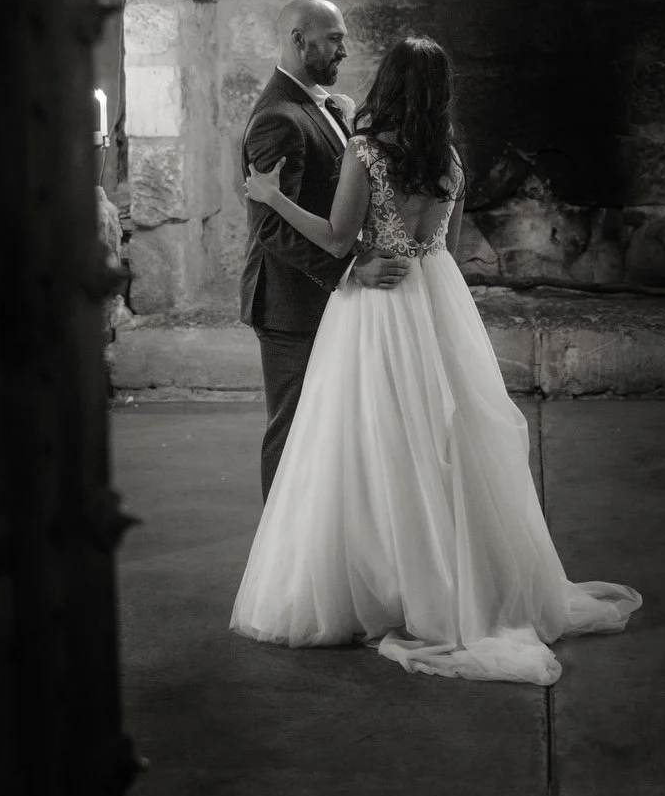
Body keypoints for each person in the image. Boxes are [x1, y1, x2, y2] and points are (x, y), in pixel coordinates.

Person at [231, 35, 641, 685]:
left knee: (368, 440)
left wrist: (273, 197)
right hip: (436, 301)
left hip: (375, 308)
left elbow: (340, 238)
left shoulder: (367, 153)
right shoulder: (450, 161)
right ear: (439, 93)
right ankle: (458, 582)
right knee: (443, 438)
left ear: (389, 85)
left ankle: (382, 582)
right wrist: (412, 257)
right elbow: (444, 247)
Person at [241, 0, 411, 502]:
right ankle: (278, 562)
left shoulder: (323, 106)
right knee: (293, 431)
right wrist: (351, 268)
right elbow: (270, 226)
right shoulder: (279, 118)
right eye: (334, 38)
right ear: (299, 40)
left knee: (327, 431)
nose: (344, 48)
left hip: (319, 299)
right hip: (291, 304)